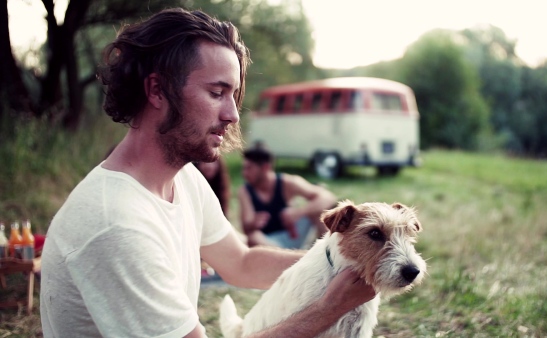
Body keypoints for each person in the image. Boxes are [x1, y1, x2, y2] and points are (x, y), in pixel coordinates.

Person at [39, 8, 375, 338]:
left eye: (233, 95)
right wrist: (328, 308)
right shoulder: (115, 223)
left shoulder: (182, 178)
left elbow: (240, 262)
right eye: (216, 93)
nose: (233, 115)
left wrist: (338, 265)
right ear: (156, 90)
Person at [240, 147, 337, 248]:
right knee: (253, 237)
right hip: (269, 243)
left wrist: (299, 212)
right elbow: (246, 229)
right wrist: (253, 224)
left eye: (249, 168)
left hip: (292, 235)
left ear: (265, 167)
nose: (244, 173)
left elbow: (328, 197)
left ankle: (329, 251)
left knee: (318, 209)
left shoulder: (287, 183)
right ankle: (290, 258)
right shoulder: (245, 191)